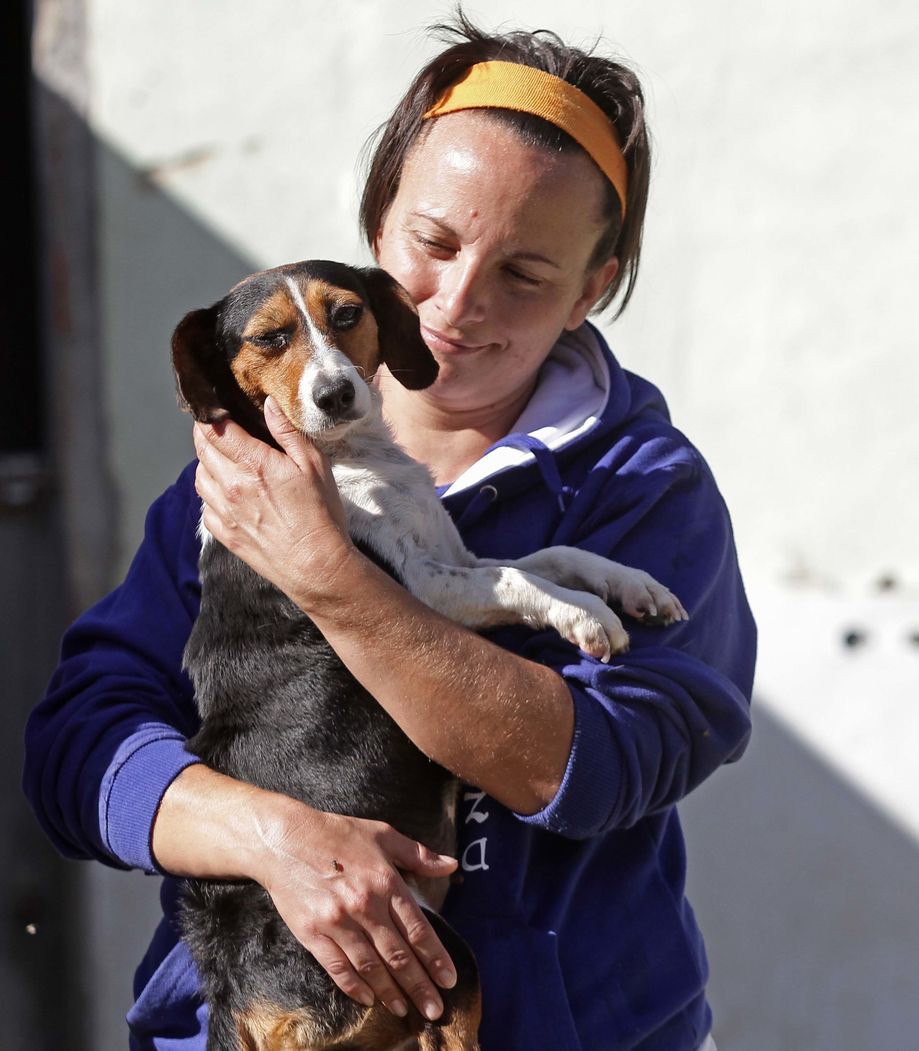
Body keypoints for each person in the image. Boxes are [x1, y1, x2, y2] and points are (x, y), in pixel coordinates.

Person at [23, 13, 755, 1050]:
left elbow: (593, 766)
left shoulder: (641, 489)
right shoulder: (244, 476)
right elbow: (76, 750)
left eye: (525, 274)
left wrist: (334, 583)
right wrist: (271, 836)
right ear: (378, 227)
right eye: (435, 243)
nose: (457, 304)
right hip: (259, 1023)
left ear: (592, 289)